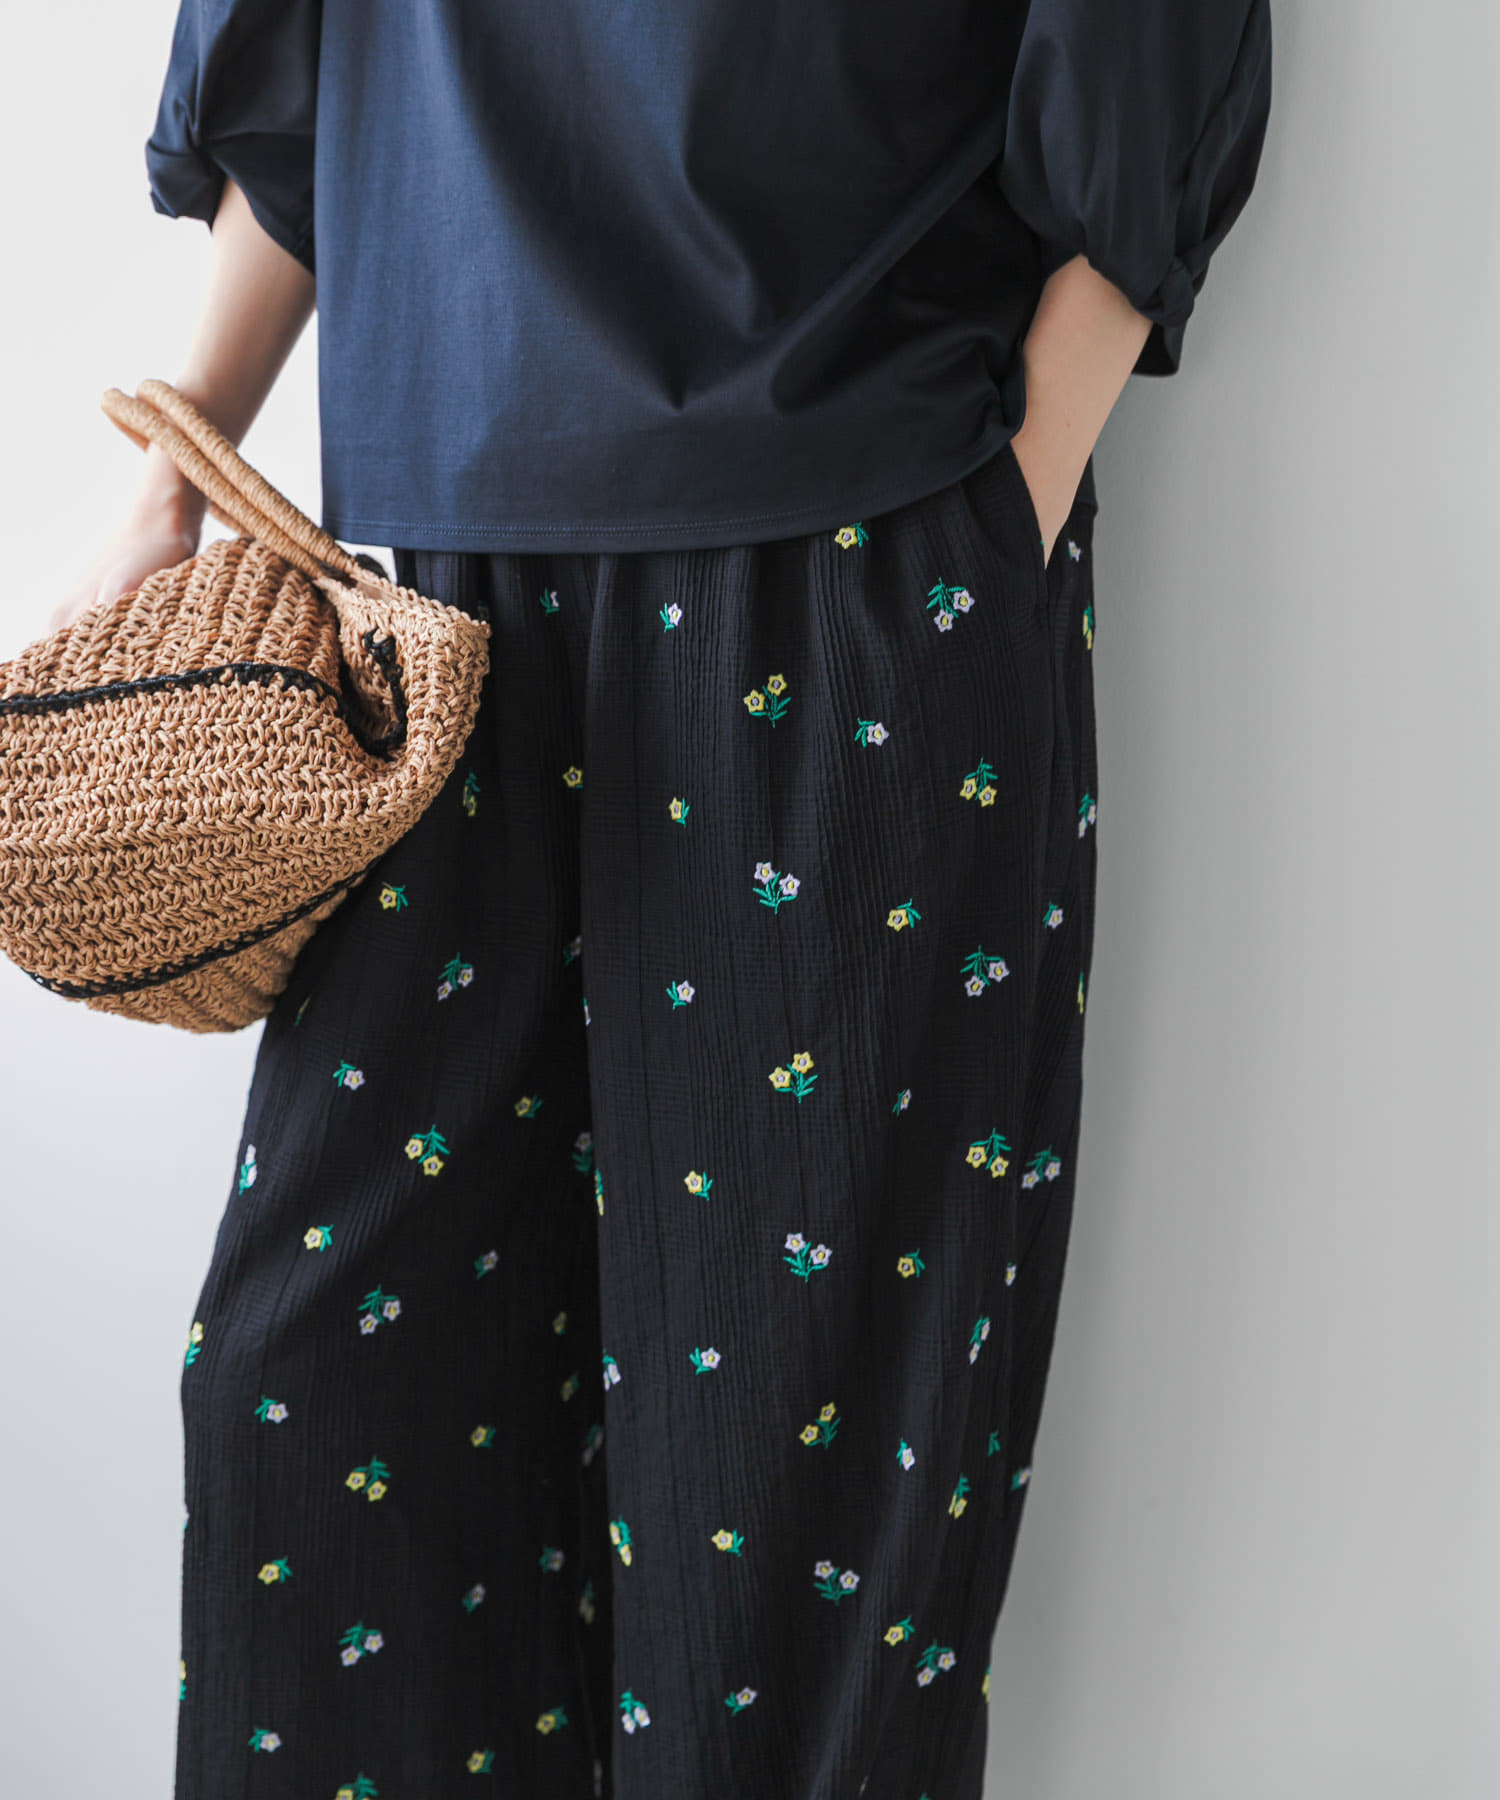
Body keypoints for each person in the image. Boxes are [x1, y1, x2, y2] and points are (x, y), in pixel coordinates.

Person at [59, 2, 1272, 1794]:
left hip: (853, 553)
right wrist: (170, 480)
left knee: (783, 1502)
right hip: (435, 616)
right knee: (306, 1400)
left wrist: (1003, 515)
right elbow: (307, 78)